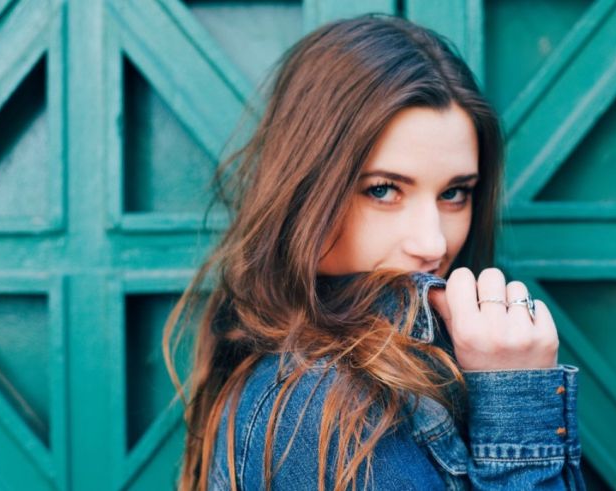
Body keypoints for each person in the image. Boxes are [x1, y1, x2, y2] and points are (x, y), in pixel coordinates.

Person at [163, 13, 584, 491]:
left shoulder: (381, 371)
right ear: (306, 189)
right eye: (383, 190)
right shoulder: (328, 408)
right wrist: (518, 406)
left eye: (455, 193)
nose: (433, 243)